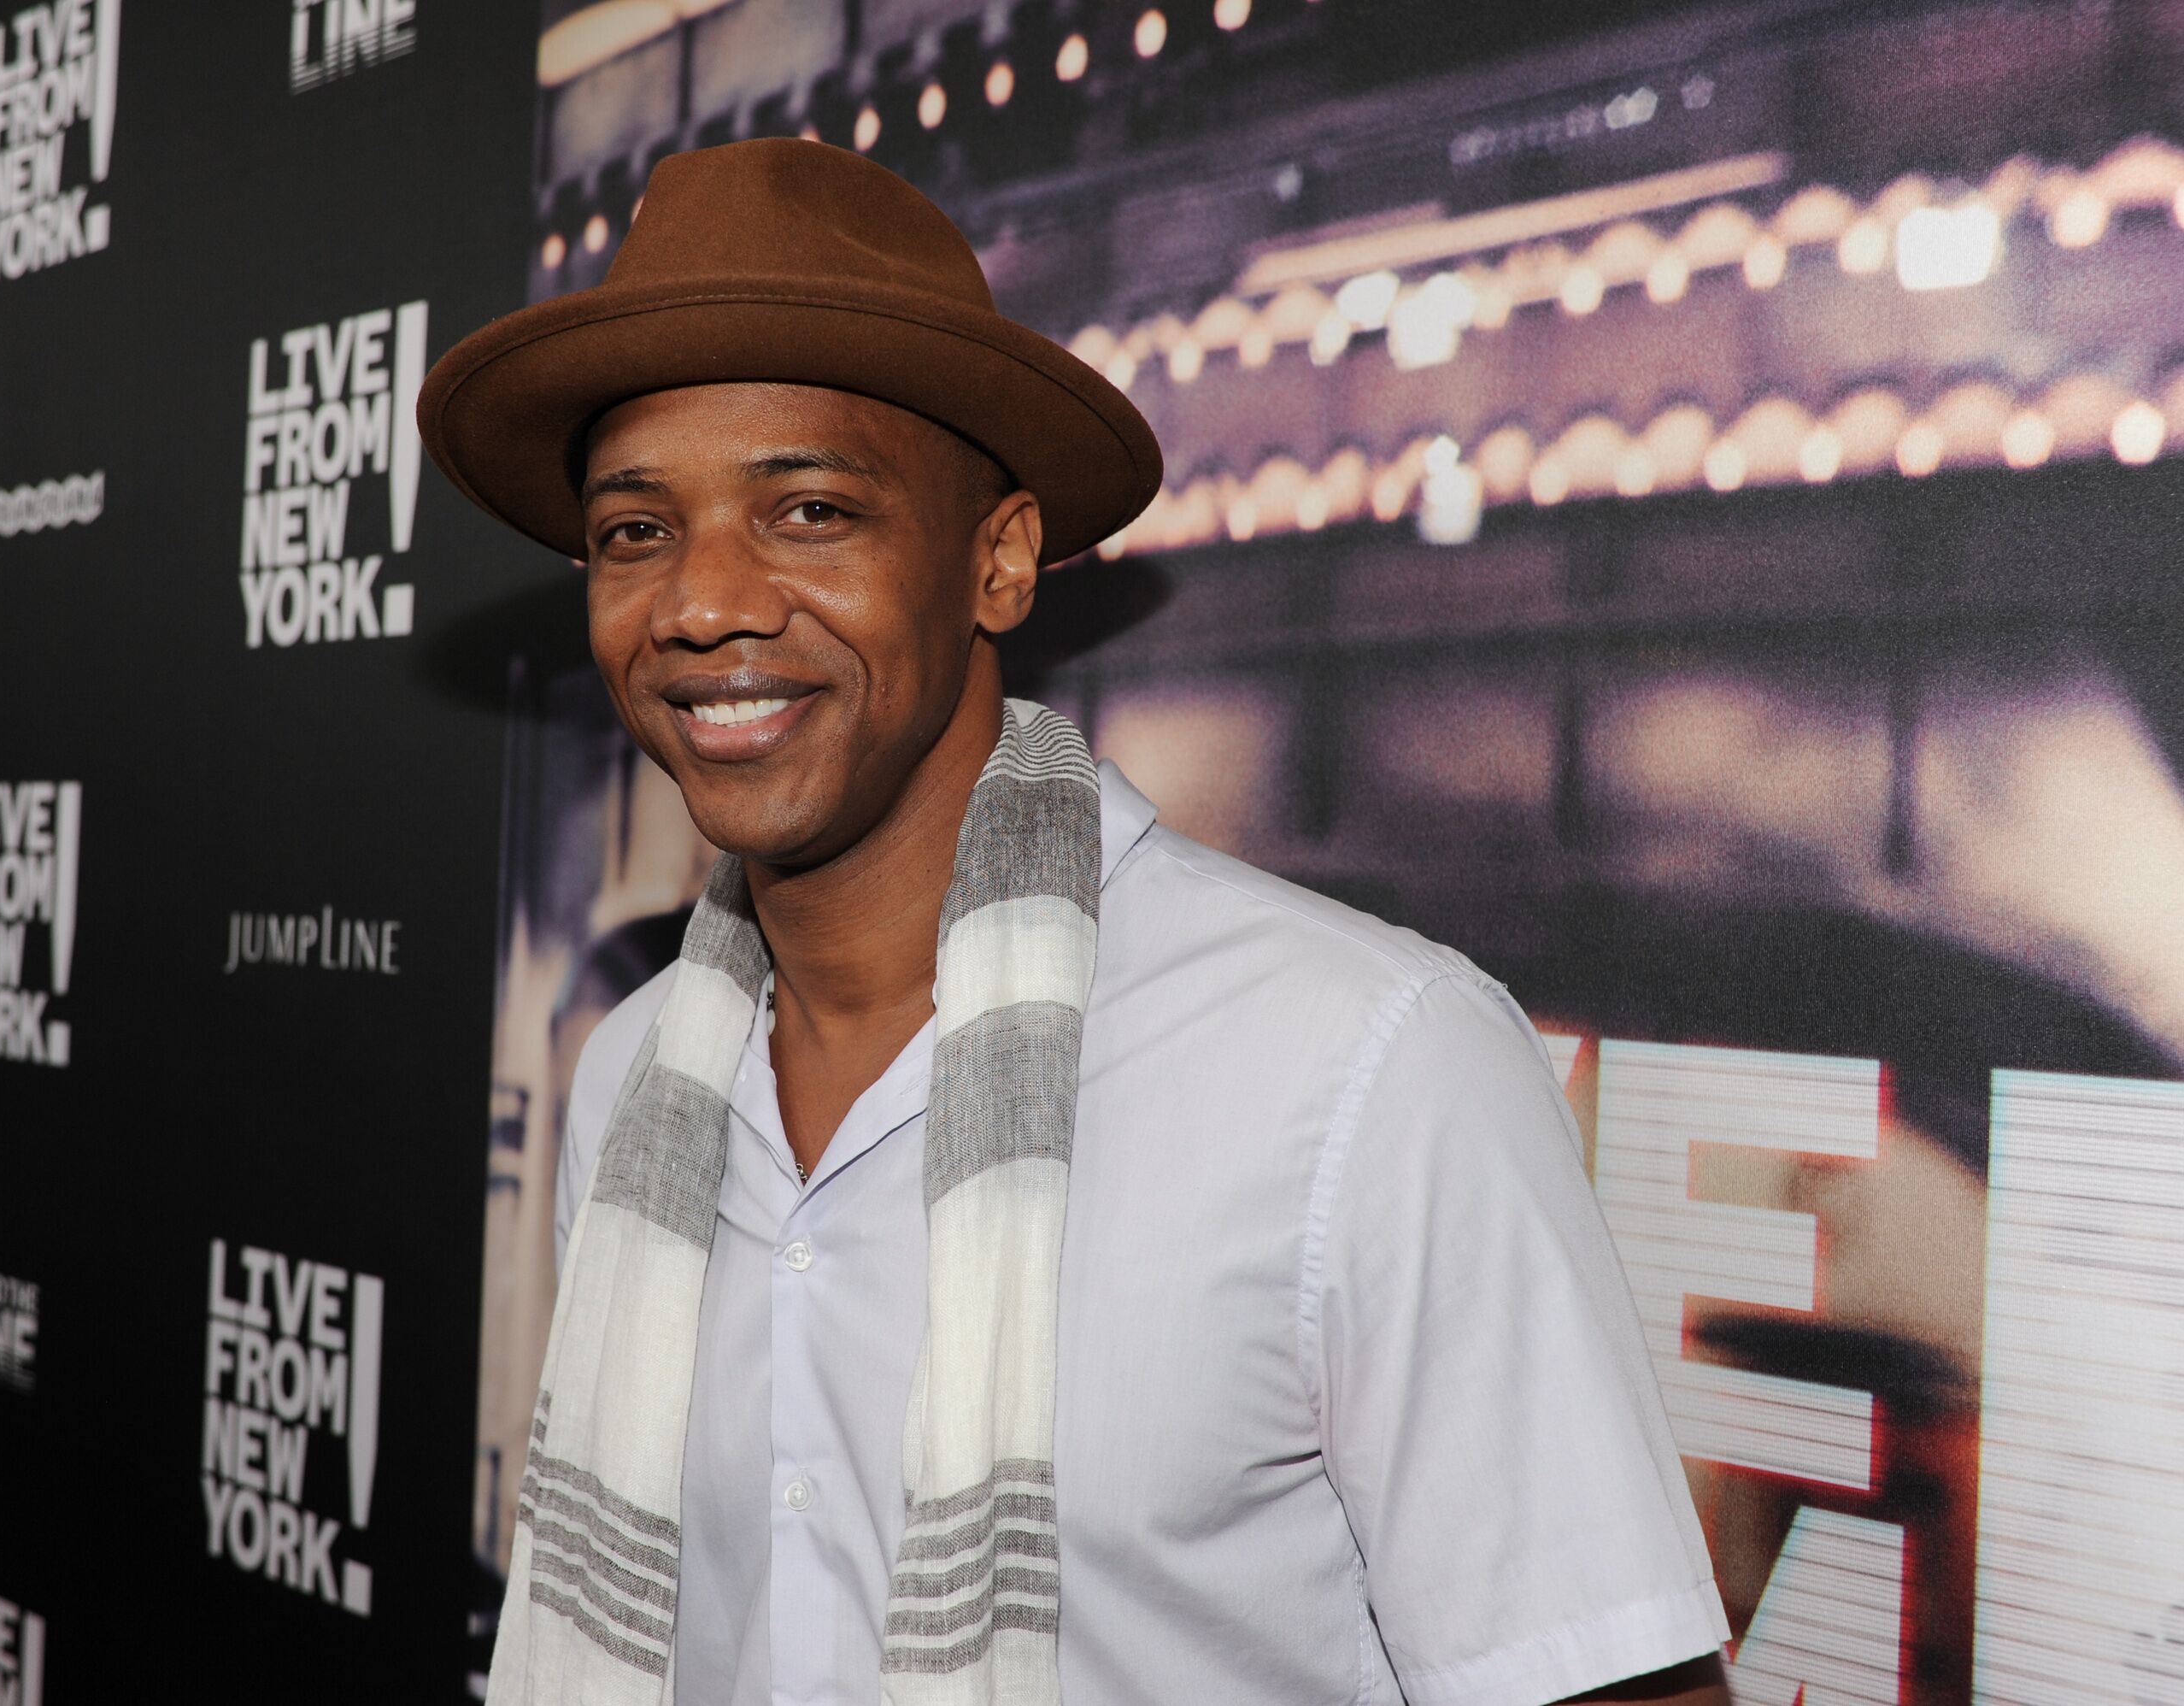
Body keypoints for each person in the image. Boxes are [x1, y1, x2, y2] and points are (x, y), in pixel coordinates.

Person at [420, 138, 1731, 1706]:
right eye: (637, 531)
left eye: (811, 511)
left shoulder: (1366, 1070)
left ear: (999, 557)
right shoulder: (640, 1081)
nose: (703, 603)